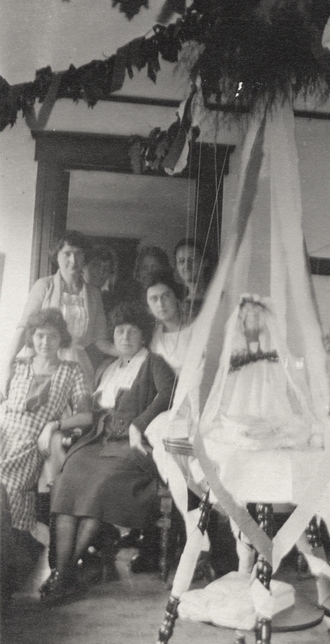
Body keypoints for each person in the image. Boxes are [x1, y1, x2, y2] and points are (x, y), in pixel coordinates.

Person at [40, 301, 175, 604]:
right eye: (119, 331)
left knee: (98, 487)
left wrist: (139, 424)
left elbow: (168, 395)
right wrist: (59, 426)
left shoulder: (154, 362)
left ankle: (62, 576)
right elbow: (91, 412)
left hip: (131, 447)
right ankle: (66, 574)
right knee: (69, 480)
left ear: (143, 337)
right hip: (96, 442)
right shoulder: (108, 368)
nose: (125, 336)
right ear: (113, 337)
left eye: (132, 331)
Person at [0, 308, 91, 536]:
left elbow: (87, 416)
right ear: (31, 337)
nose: (45, 342)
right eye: (39, 335)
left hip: (29, 445)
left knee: (8, 488)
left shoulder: (71, 371)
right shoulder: (18, 365)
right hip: (3, 431)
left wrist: (53, 425)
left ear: (61, 338)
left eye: (52, 336)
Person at [0, 230, 117, 395]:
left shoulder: (93, 294)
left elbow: (100, 340)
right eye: (67, 253)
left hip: (79, 366)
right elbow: (24, 328)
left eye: (78, 253)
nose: (73, 260)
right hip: (45, 363)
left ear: (85, 257)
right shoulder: (44, 286)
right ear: (57, 256)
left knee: (75, 417)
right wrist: (6, 367)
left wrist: (128, 352)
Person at [145, 269, 192, 375]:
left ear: (176, 298)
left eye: (165, 296)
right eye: (154, 299)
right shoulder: (153, 337)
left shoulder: (194, 328)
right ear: (148, 305)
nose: (160, 304)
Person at [174, 238, 210, 321]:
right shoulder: (173, 299)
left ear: (205, 262)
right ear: (177, 267)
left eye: (192, 259)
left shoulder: (215, 294)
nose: (186, 265)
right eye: (181, 261)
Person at [83, 245, 118, 315]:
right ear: (83, 266)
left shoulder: (109, 302)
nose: (101, 271)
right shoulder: (75, 295)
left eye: (106, 268)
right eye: (96, 265)